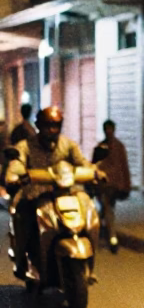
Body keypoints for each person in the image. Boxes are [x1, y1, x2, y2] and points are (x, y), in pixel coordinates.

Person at [5, 105, 91, 279]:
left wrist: (95, 172)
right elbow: (17, 163)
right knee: (23, 217)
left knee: (88, 210)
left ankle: (88, 263)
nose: (52, 130)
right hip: (34, 194)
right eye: (47, 126)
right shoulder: (26, 145)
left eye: (56, 126)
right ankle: (23, 261)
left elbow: (82, 162)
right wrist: (15, 174)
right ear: (39, 126)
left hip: (66, 193)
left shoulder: (68, 145)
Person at [92, 119, 131, 253]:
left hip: (115, 185)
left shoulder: (119, 147)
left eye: (111, 129)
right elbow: (94, 166)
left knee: (108, 209)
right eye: (106, 129)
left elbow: (124, 166)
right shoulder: (100, 147)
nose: (109, 132)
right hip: (103, 185)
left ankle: (106, 236)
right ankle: (111, 237)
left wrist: (126, 184)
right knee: (107, 209)